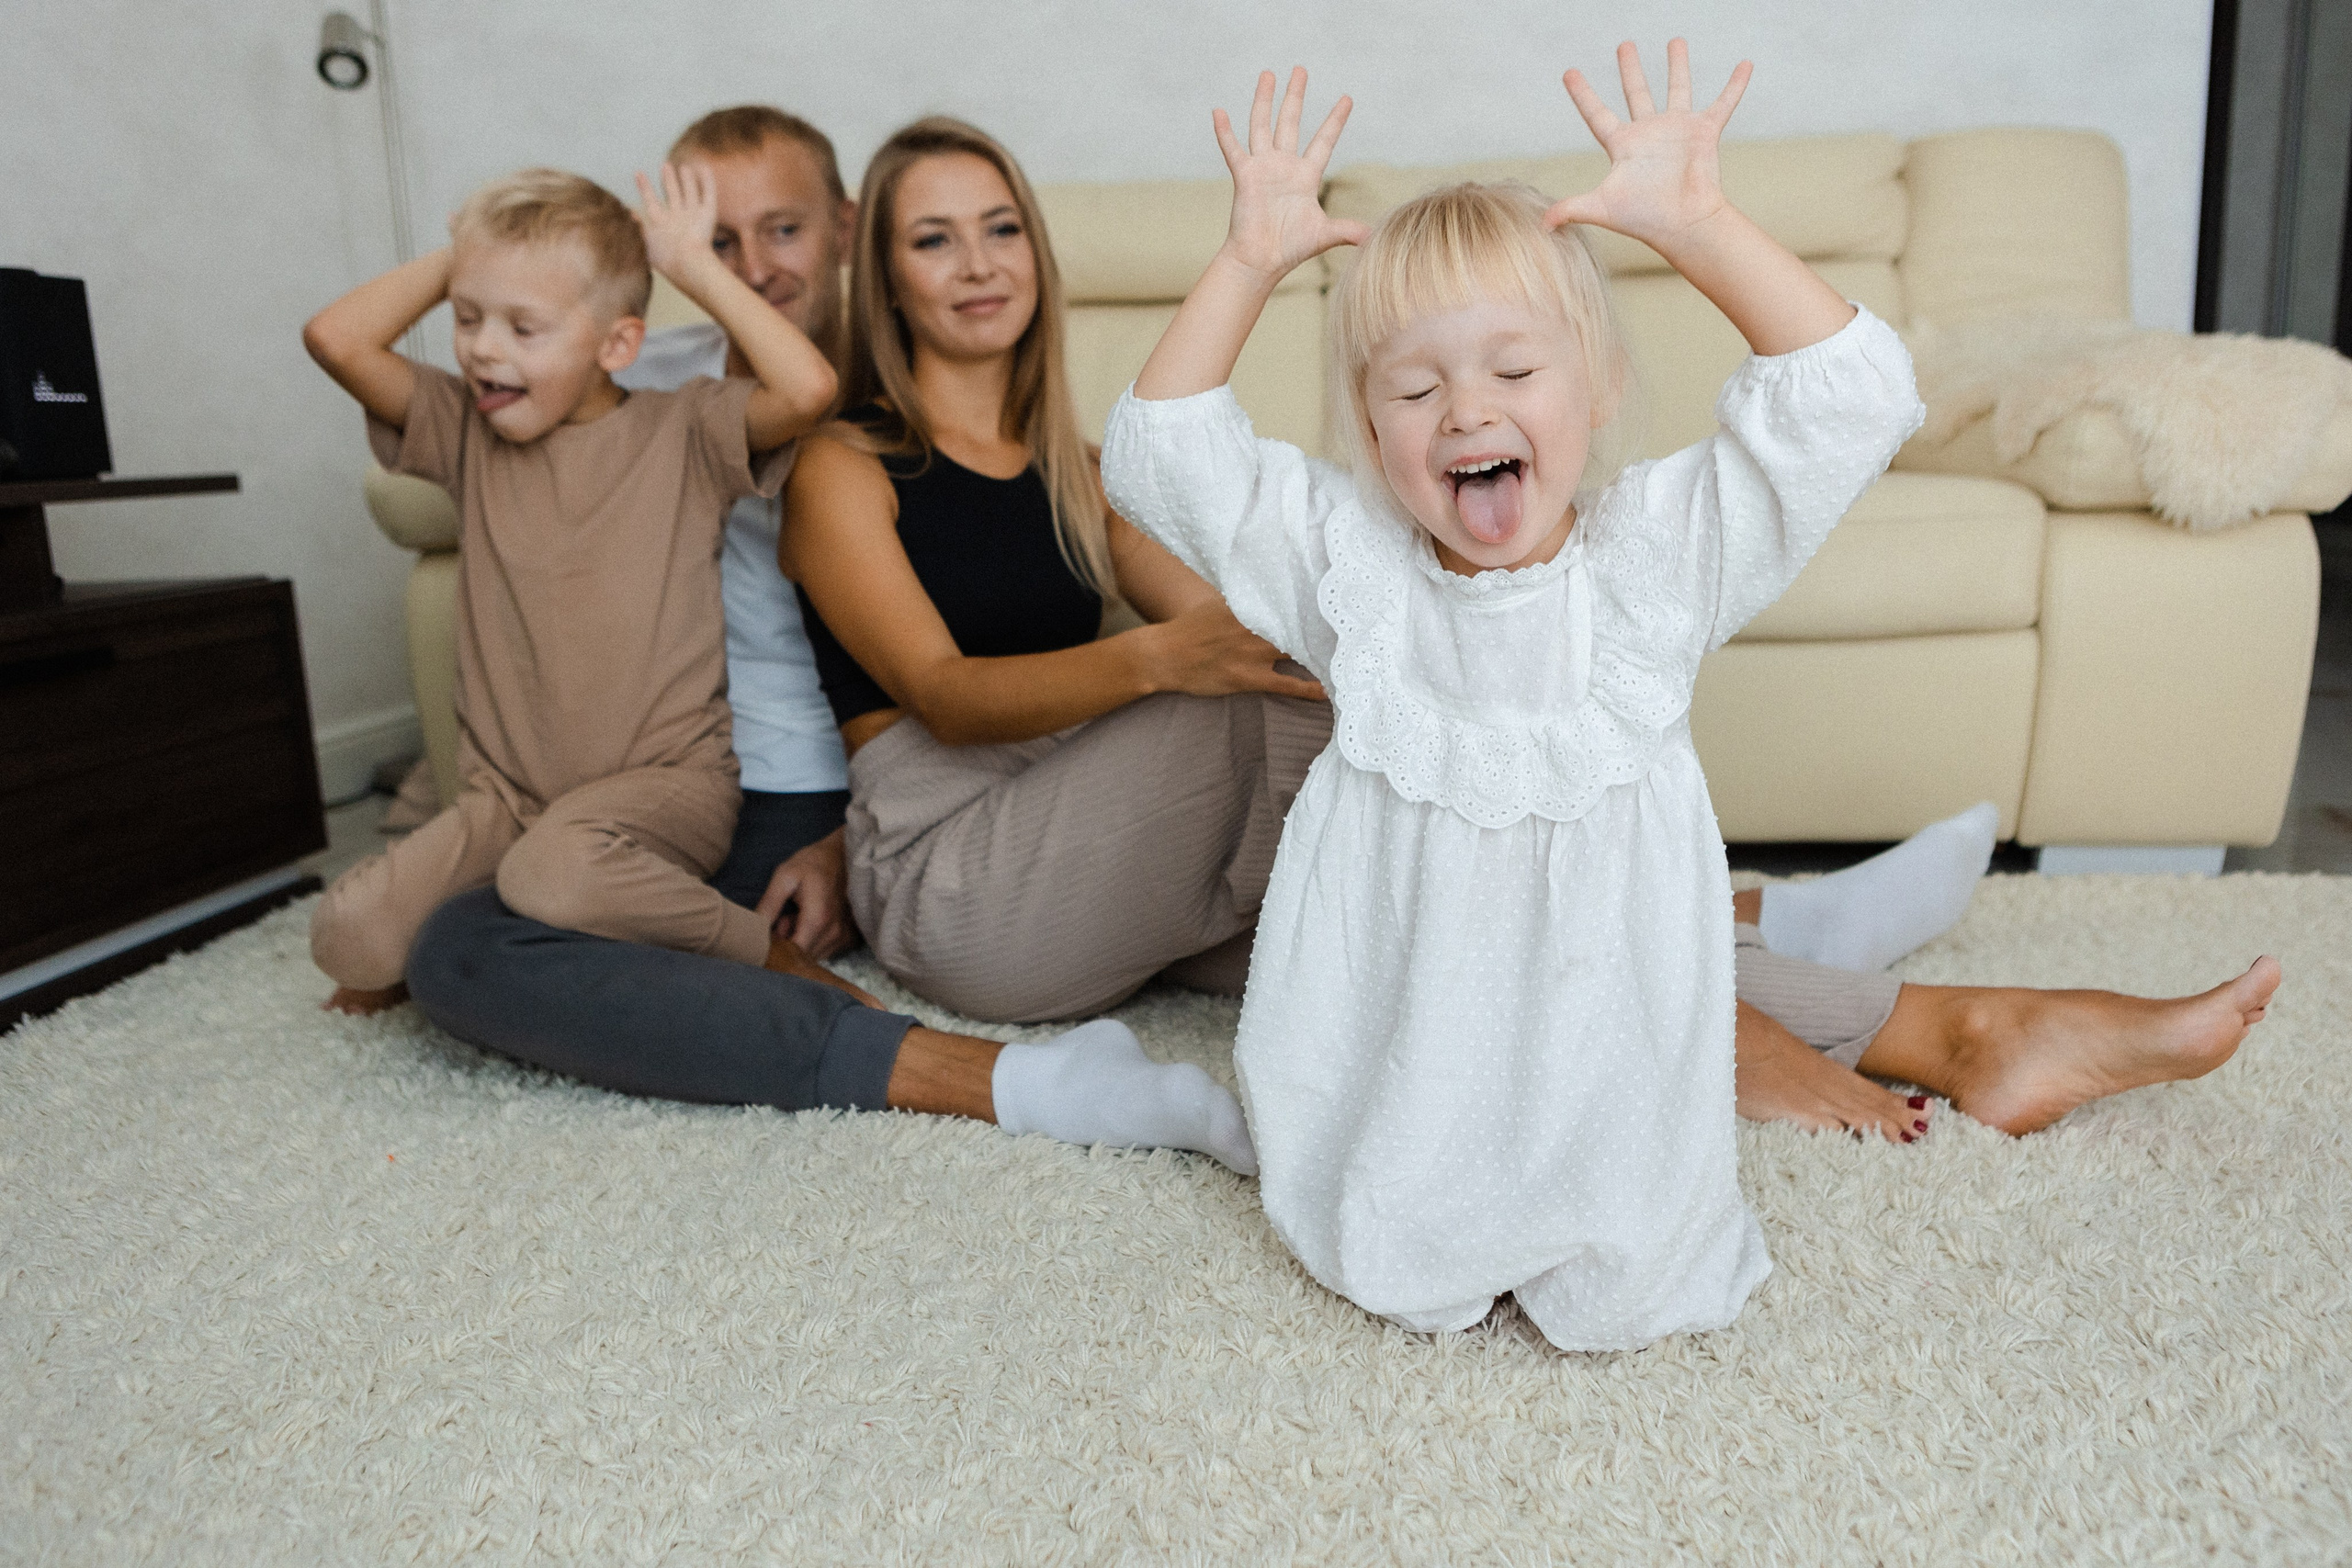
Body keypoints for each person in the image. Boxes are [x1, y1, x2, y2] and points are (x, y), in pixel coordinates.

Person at [1098, 51, 2280, 1348]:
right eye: (1415, 387)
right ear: (1373, 433)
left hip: (1607, 1026)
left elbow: (1855, 395)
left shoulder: (1660, 552)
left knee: (1634, 1263)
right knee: (1394, 1235)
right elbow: (1161, 458)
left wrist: (1698, 225)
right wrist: (1247, 262)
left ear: (1597, 389)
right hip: (1408, 1034)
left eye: (1511, 371)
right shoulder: (1347, 566)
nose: (1464, 412)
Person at [399, 111, 1257, 1174]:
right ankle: (965, 1070)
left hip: (827, 793)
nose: (753, 269)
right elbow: (498, 539)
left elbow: (1178, 633)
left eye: (785, 231)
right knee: (467, 941)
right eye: (717, 244)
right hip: (671, 783)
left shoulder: (956, 426)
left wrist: (851, 833)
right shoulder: (618, 379)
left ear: (846, 232)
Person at [302, 163, 838, 1015]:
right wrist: (471, 257)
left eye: (524, 326)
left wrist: (691, 265)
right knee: (348, 936)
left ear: (617, 345)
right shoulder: (463, 433)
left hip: (670, 785)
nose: (483, 348)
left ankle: (768, 960)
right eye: (469, 319)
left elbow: (809, 390)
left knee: (552, 873)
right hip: (507, 799)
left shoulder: (685, 429)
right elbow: (335, 337)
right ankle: (546, 906)